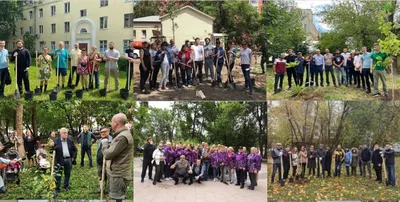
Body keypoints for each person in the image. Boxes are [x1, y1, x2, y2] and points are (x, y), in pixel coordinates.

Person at [101, 113, 133, 201]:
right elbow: (116, 149)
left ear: (116, 123)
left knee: (118, 198)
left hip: (119, 175)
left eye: (111, 122)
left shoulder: (122, 136)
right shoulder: (123, 134)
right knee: (118, 198)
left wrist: (104, 143)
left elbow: (108, 155)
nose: (111, 124)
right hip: (120, 172)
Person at [51, 128, 77, 197]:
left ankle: (66, 186)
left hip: (68, 160)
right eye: (64, 133)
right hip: (59, 160)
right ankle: (56, 189)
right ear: (60, 133)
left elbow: (75, 150)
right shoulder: (56, 141)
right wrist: (51, 146)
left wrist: (73, 158)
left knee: (67, 174)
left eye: (67, 133)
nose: (66, 134)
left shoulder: (70, 140)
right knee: (57, 175)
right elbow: (51, 151)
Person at [95, 127, 112, 194]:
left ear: (108, 132)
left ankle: (111, 190)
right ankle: (102, 189)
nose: (103, 133)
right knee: (101, 176)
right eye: (101, 132)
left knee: (110, 176)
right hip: (100, 161)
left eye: (104, 131)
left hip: (109, 162)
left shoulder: (113, 140)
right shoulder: (100, 140)